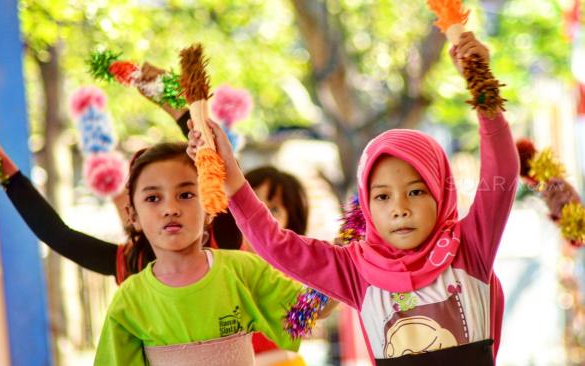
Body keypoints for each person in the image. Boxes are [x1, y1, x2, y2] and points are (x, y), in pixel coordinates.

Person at [189, 32, 518, 365]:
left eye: (416, 192)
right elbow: (277, 245)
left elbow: (501, 170)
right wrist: (230, 177)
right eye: (382, 197)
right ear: (367, 206)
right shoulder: (356, 270)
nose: (400, 209)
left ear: (441, 193)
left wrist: (481, 85)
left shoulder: (471, 247)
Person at [93, 142, 325, 365]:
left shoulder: (244, 270)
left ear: (210, 207)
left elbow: (309, 310)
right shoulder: (129, 301)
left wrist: (351, 249)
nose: (170, 209)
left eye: (185, 195)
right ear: (133, 216)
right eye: (153, 198)